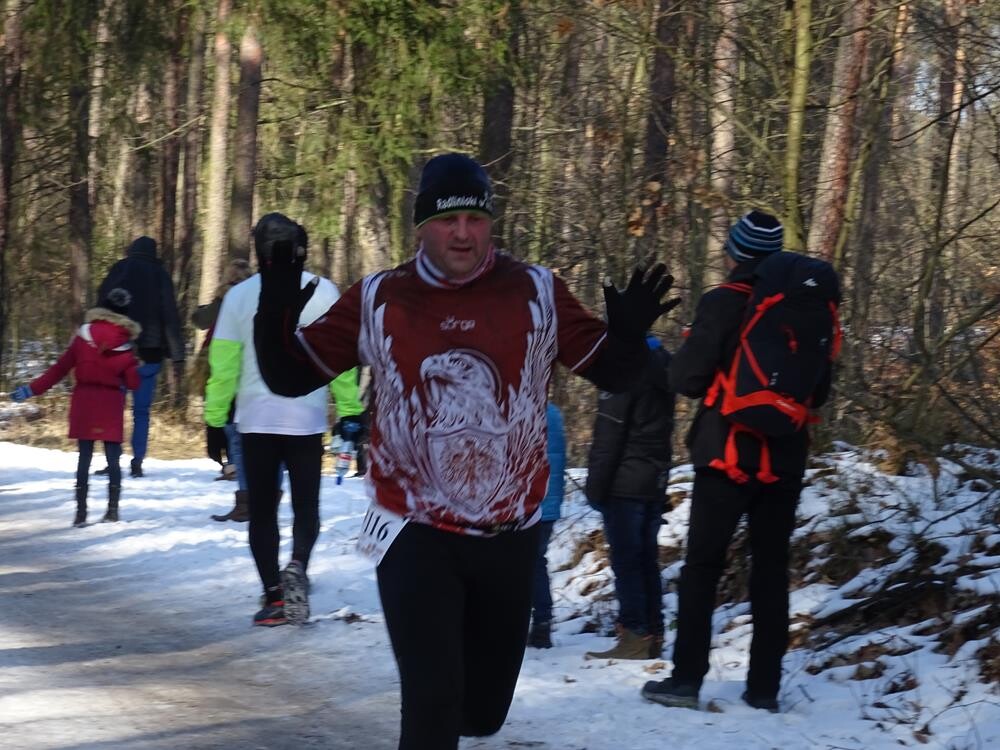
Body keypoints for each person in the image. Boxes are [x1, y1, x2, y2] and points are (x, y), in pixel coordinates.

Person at [252, 152, 679, 750]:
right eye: (448, 220)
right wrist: (275, 295)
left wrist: (630, 336)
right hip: (411, 527)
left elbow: (614, 372)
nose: (462, 233)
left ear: (490, 224)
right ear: (422, 226)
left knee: (480, 713)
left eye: (475, 219)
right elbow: (290, 374)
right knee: (431, 703)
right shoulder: (381, 298)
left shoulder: (536, 291)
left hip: (509, 534)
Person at [641, 211, 834, 712]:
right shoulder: (807, 307)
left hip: (725, 457)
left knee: (703, 567)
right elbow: (822, 391)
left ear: (734, 253)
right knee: (771, 570)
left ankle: (685, 680)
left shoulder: (722, 303)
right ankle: (764, 688)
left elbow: (688, 379)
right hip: (785, 460)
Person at [204, 213, 364, 626]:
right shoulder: (323, 291)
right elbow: (341, 359)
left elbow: (224, 366)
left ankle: (274, 596)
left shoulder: (240, 296)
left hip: (255, 420)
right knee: (305, 508)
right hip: (306, 418)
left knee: (262, 512)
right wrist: (349, 411)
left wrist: (214, 420)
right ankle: (297, 565)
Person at [10, 289, 141, 526]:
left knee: (84, 458)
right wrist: (132, 368)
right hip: (110, 404)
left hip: (84, 401)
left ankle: (81, 513)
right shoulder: (126, 346)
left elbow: (59, 370)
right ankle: (112, 511)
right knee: (113, 459)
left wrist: (31, 390)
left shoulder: (83, 337)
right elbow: (133, 383)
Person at [584, 333, 674, 660]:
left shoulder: (624, 367)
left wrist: (595, 490)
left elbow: (608, 437)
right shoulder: (662, 361)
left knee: (627, 561)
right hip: (654, 478)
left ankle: (634, 633)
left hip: (625, 482)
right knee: (646, 559)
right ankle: (654, 632)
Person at [95, 236, 185, 478]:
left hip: (117, 351)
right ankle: (137, 461)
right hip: (150, 353)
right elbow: (170, 314)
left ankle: (112, 459)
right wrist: (177, 354)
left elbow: (101, 302)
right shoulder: (161, 275)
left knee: (114, 407)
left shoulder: (119, 269)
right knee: (142, 411)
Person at [190, 258, 253, 519]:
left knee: (228, 424)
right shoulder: (254, 299)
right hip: (249, 371)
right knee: (240, 425)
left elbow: (199, 319)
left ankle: (235, 473)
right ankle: (240, 475)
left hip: (222, 364)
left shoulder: (224, 301)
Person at [527, 401, 566, 649]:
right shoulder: (553, 413)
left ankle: (535, 624)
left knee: (521, 566)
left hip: (526, 504)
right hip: (549, 504)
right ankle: (542, 622)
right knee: (536, 563)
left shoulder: (520, 409)